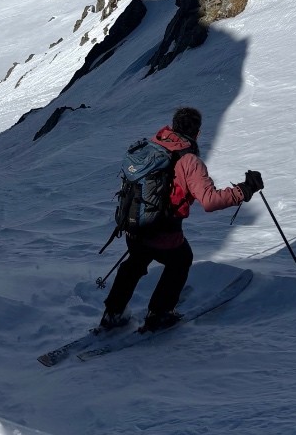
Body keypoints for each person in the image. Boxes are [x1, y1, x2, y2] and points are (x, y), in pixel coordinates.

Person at [100, 105, 263, 333]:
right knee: (181, 260)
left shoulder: (152, 145)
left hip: (134, 226)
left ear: (174, 125)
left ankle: (112, 314)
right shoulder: (189, 161)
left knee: (135, 262)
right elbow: (210, 201)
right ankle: (158, 314)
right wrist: (244, 190)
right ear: (197, 132)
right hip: (164, 230)